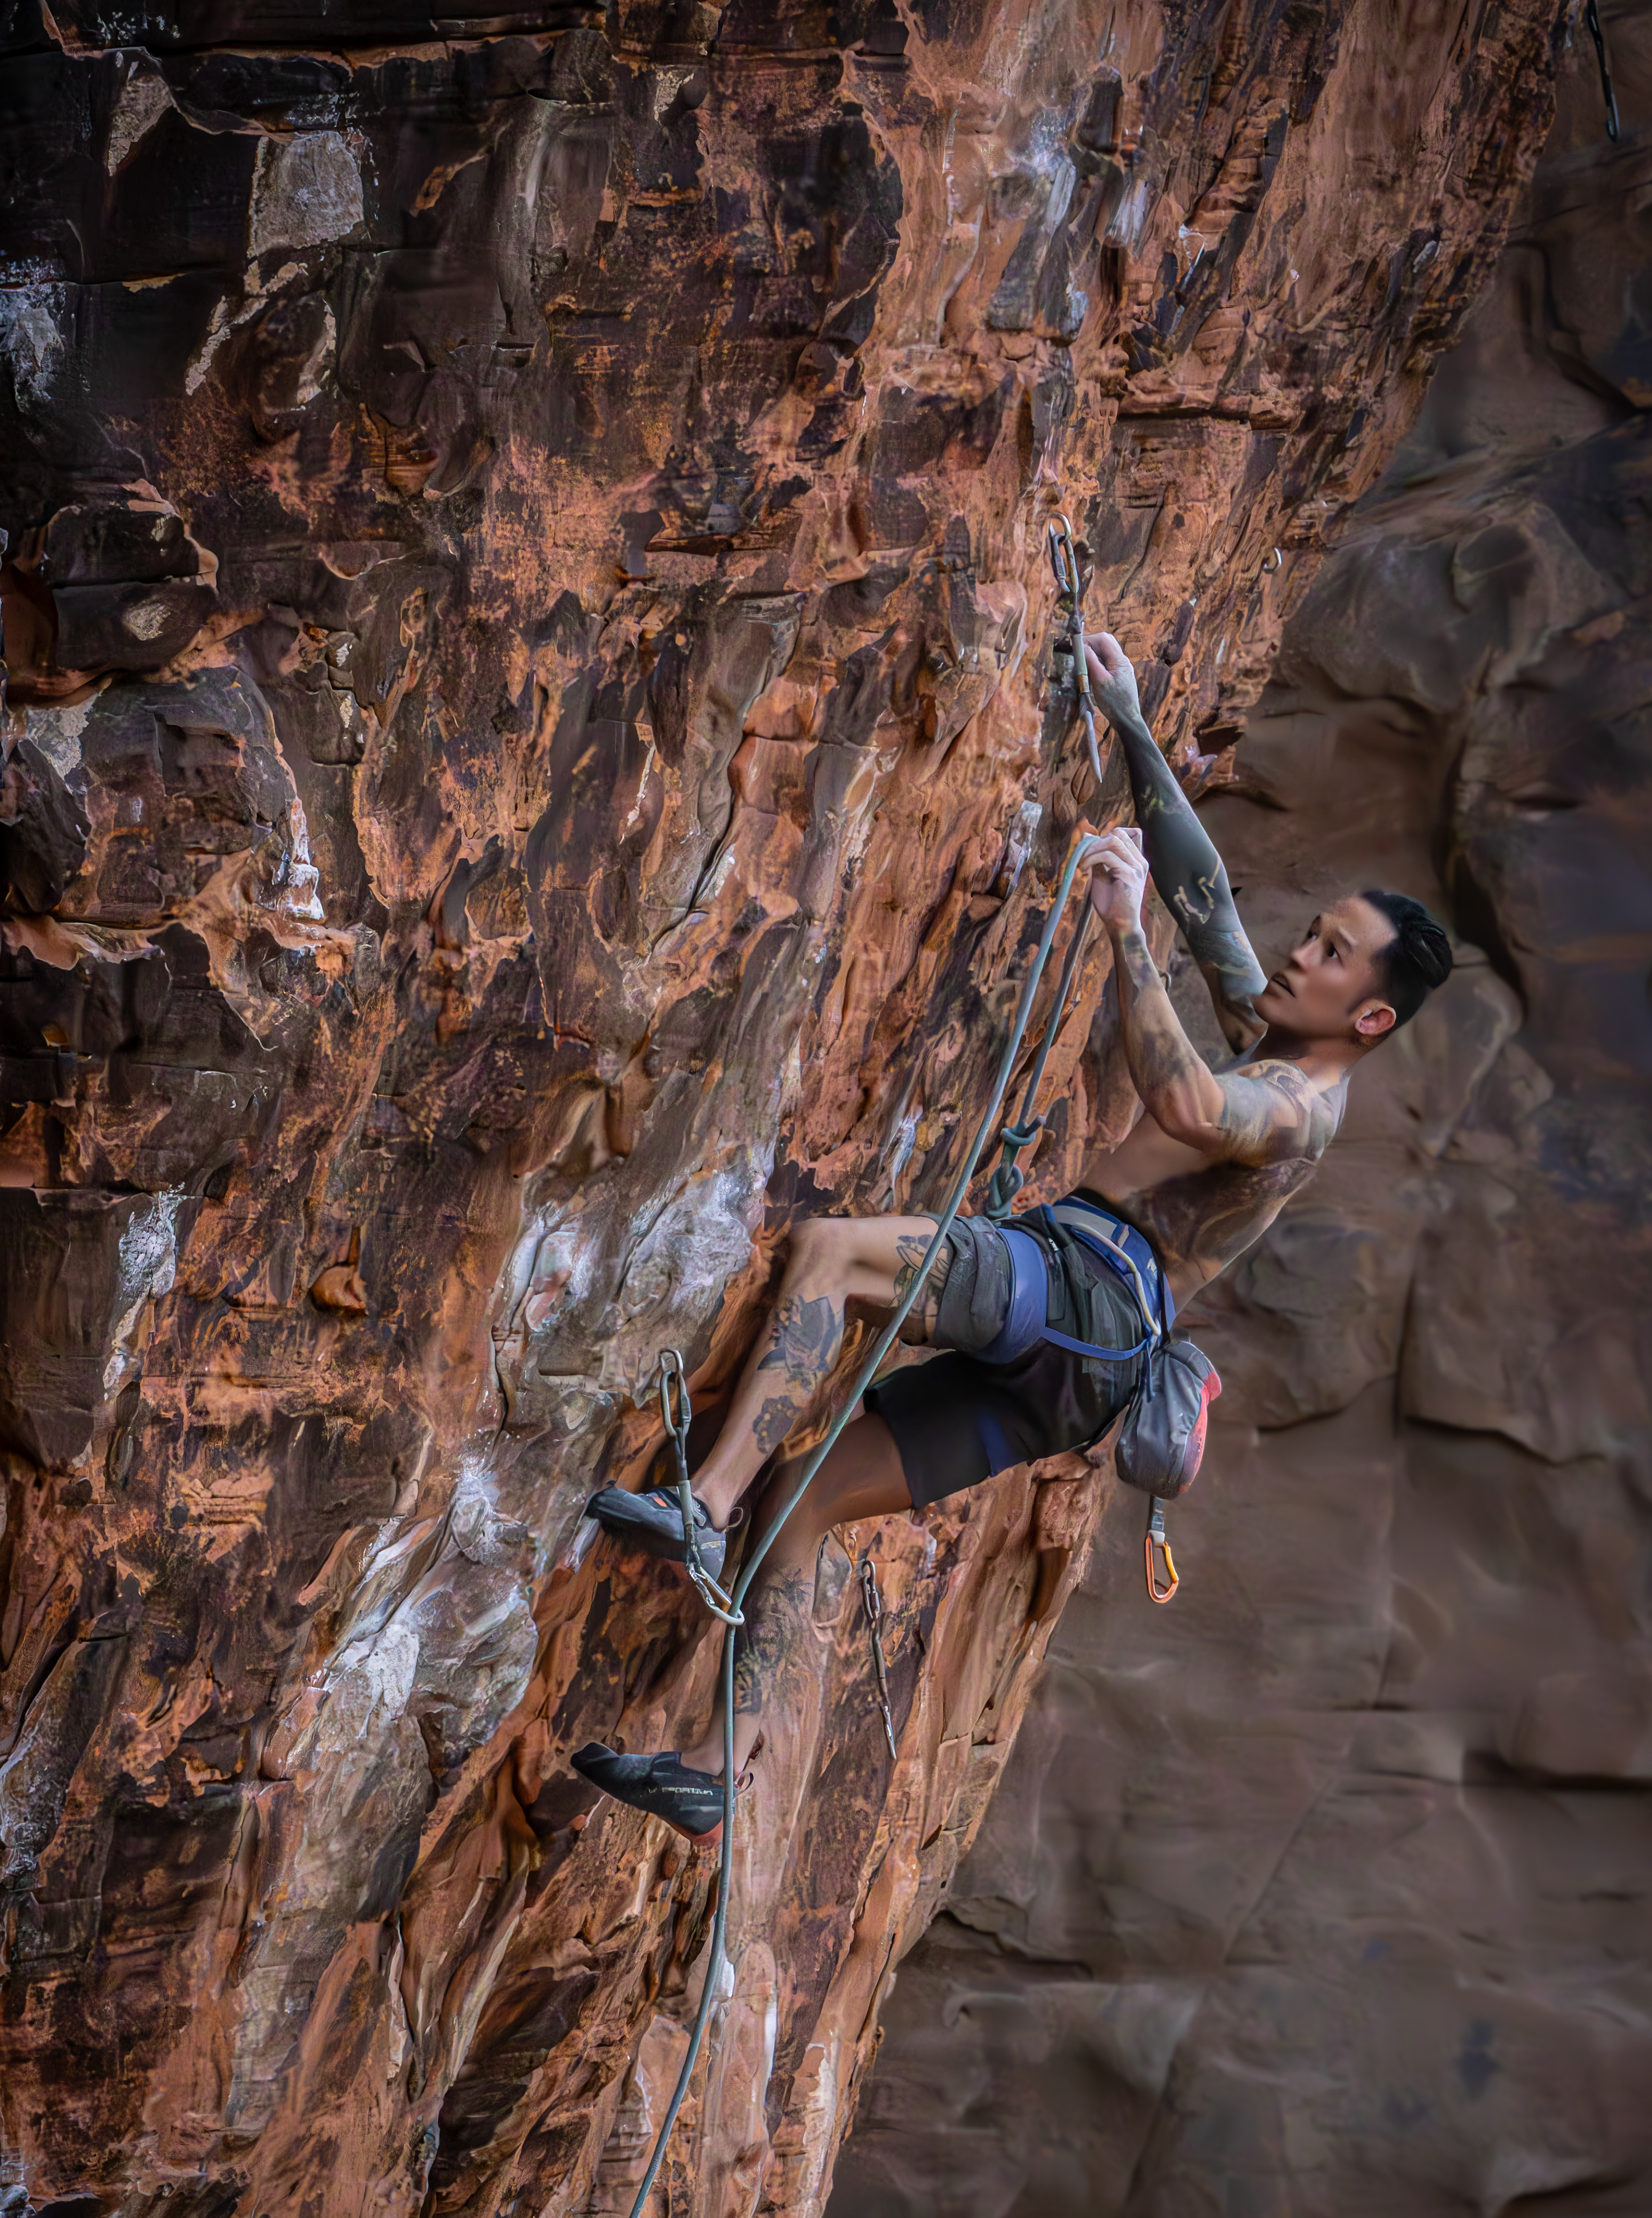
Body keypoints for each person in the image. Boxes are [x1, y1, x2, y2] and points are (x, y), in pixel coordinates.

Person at [571, 630, 1454, 1842]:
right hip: (1077, 1376)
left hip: (1087, 1294)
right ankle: (725, 1771)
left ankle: (703, 1500)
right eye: (1319, 931)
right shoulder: (1289, 1030)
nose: (1301, 951)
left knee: (836, 1257)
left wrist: (1120, 928)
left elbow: (1192, 1104)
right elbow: (1211, 901)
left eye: (1332, 954)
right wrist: (1136, 726)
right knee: (812, 1498)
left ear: (1368, 1014)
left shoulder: (1300, 1106)